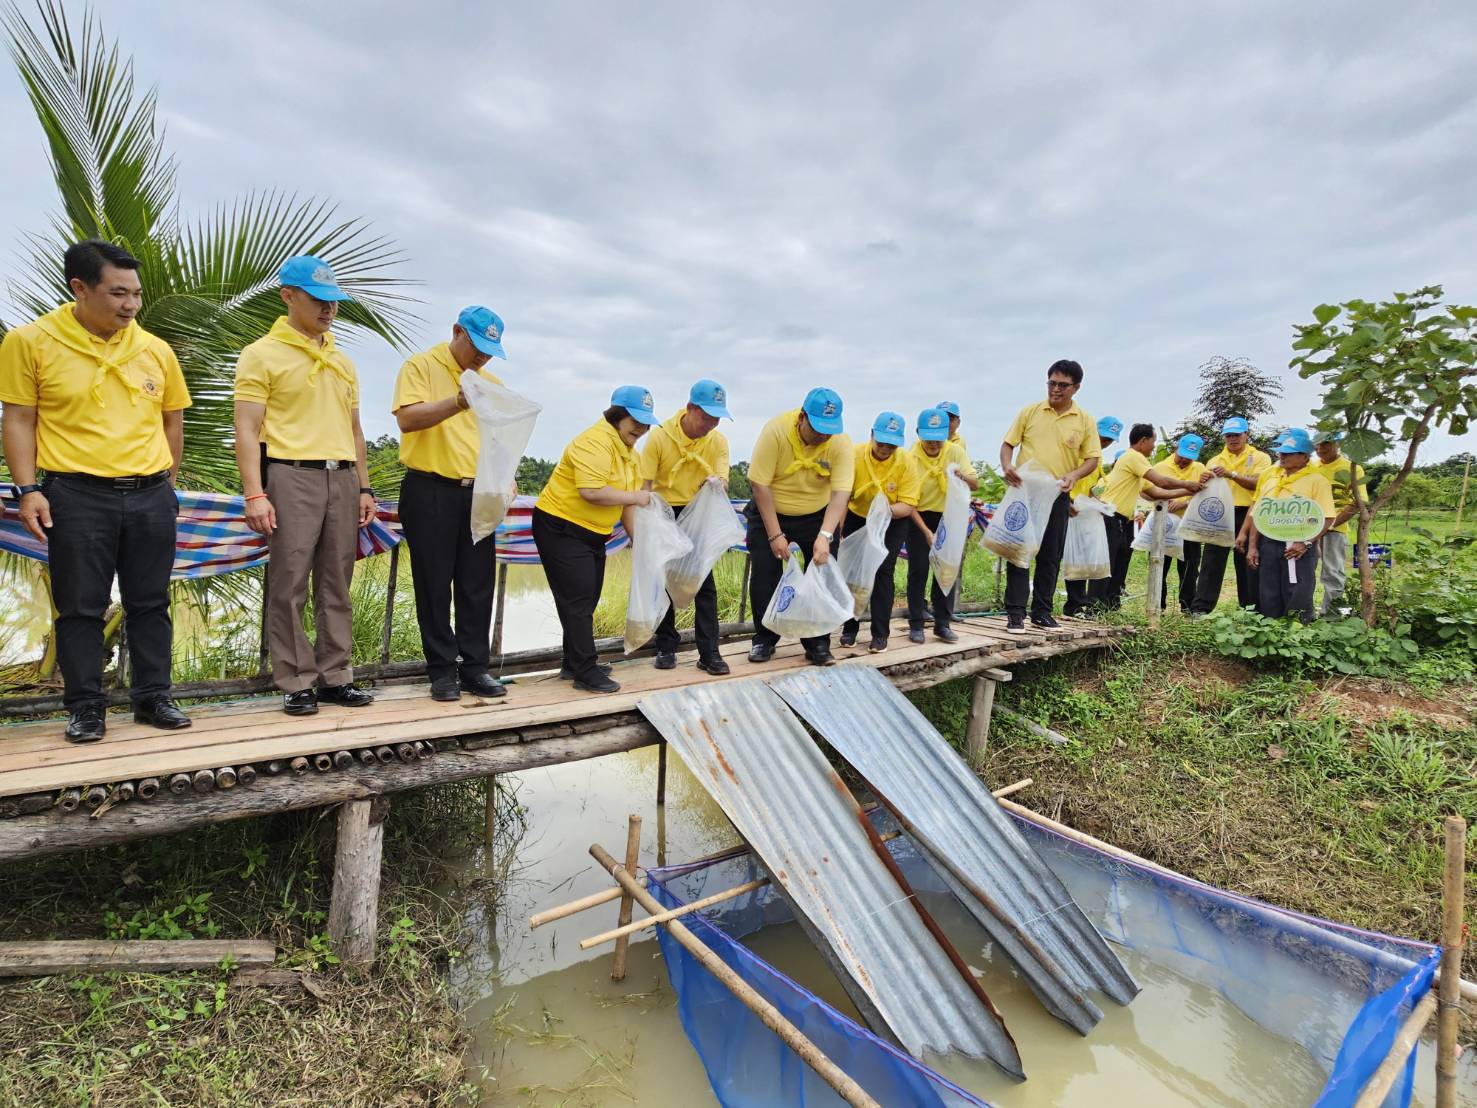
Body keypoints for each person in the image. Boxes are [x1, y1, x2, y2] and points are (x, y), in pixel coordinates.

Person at [0, 239, 192, 741]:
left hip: (150, 494)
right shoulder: (30, 341)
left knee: (150, 602)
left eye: (136, 294)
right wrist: (27, 489)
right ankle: (86, 707)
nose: (130, 305)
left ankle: (154, 698)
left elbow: (173, 422)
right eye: (117, 293)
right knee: (81, 606)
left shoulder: (155, 349)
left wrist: (167, 484)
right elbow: (19, 420)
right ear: (79, 288)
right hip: (76, 494)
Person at [234, 255, 376, 717]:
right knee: (289, 580)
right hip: (291, 473)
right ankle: (296, 680)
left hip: (342, 476)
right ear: (288, 296)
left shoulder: (342, 360)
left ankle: (336, 675)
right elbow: (247, 429)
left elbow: (356, 431)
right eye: (318, 301)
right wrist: (255, 492)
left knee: (337, 580)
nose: (328, 310)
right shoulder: (261, 354)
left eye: (334, 302)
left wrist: (364, 488)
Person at [392, 306, 510, 702]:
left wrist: (506, 476)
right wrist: (458, 402)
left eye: (490, 350)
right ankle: (442, 671)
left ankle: (476, 668)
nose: (482, 357)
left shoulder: (490, 382)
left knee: (478, 584)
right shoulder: (420, 366)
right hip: (431, 489)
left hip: (479, 494)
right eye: (477, 346)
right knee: (434, 583)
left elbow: (499, 441)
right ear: (457, 331)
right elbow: (407, 420)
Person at [533, 386, 656, 692]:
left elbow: (628, 504)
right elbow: (591, 491)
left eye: (646, 422)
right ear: (616, 415)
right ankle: (585, 671)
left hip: (593, 532)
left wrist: (638, 541)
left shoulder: (631, 454)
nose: (641, 428)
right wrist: (637, 497)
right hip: (560, 526)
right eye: (635, 420)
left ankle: (572, 662)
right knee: (578, 600)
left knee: (586, 598)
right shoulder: (594, 442)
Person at [745, 388, 854, 666]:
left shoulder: (840, 443)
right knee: (765, 575)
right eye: (818, 429)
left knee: (821, 572)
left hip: (816, 514)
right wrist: (774, 534)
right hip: (771, 510)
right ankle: (764, 639)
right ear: (802, 417)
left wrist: (826, 536)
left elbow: (841, 492)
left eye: (829, 430)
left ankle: (817, 642)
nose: (823, 436)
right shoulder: (776, 431)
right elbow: (760, 484)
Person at [640, 378, 733, 676]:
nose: (711, 423)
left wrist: (718, 485)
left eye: (717, 418)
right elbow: (645, 485)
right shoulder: (659, 438)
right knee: (663, 578)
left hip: (698, 512)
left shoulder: (717, 442)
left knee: (703, 584)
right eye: (706, 416)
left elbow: (725, 479)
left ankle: (710, 653)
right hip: (664, 511)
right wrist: (645, 525)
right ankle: (666, 646)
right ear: (690, 408)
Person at [999, 360, 1100, 633]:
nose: (1056, 389)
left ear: (1076, 388)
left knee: (1050, 555)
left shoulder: (1084, 420)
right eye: (1052, 383)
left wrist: (1074, 476)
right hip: (1025, 491)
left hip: (1057, 494)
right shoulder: (1030, 412)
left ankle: (1042, 612)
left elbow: (1092, 458)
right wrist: (1008, 466)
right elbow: (1008, 444)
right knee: (1018, 550)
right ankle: (1015, 613)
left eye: (1063, 385)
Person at [1087, 424, 1206, 612]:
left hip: (1121, 519)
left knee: (1119, 563)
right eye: (1153, 441)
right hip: (1109, 516)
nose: (1153, 446)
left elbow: (1156, 491)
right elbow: (1162, 482)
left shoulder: (1136, 465)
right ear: (1143, 441)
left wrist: (1187, 490)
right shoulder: (1134, 457)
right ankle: (1094, 607)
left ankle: (1109, 605)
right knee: (1106, 563)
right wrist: (1188, 485)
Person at [840, 412, 926, 653]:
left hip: (891, 520)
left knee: (882, 571)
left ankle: (880, 634)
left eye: (891, 445)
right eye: (881, 443)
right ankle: (850, 627)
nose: (885, 449)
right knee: (853, 572)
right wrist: (839, 529)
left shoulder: (906, 462)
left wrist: (883, 511)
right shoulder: (855, 455)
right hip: (857, 516)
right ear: (871, 435)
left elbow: (908, 504)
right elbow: (843, 494)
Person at [1240, 428, 1335, 622]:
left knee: (1298, 593)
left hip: (1298, 546)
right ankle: (1272, 636)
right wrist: (1252, 547)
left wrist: (1306, 543)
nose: (1282, 457)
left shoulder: (1317, 481)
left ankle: (1297, 636)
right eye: (1281, 453)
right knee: (1269, 593)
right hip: (1269, 544)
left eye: (1288, 454)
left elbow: (1327, 518)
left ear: (1304, 457)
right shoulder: (1272, 480)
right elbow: (1259, 515)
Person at [909, 407, 979, 643]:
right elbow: (908, 502)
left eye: (938, 438)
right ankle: (916, 623)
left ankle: (942, 623)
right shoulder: (910, 458)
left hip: (949, 517)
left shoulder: (955, 451)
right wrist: (926, 531)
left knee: (946, 570)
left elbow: (975, 483)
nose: (933, 444)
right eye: (928, 438)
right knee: (918, 569)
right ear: (919, 433)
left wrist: (960, 476)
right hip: (919, 516)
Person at [1191, 417, 1270, 614]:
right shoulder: (1214, 460)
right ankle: (1201, 609)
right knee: (1211, 562)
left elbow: (1259, 484)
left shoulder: (1261, 457)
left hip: (1248, 513)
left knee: (1247, 561)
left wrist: (1231, 474)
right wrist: (1203, 480)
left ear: (1247, 435)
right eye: (1228, 435)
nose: (1232, 439)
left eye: (1237, 434)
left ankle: (1250, 608)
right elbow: (1204, 491)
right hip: (1220, 514)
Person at [1062, 416, 1121, 619]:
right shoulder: (1075, 452)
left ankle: (1081, 605)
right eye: (1102, 438)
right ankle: (1072, 605)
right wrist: (1067, 502)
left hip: (1084, 514)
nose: (1104, 444)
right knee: (1071, 557)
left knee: (1084, 558)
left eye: (1109, 441)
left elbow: (1088, 490)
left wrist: (1099, 503)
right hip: (1068, 510)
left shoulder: (1098, 458)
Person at [1147, 434, 1211, 614]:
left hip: (1190, 524)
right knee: (1159, 563)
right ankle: (1158, 605)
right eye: (1182, 455)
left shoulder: (1200, 468)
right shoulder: (1159, 467)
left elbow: (1204, 494)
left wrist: (1183, 503)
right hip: (1164, 523)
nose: (1184, 460)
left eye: (1189, 458)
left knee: (1190, 567)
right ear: (1176, 448)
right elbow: (1150, 491)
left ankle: (1187, 606)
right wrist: (1167, 502)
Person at [1310, 430, 1366, 617]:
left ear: (1338, 444)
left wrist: (1330, 524)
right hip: (1308, 528)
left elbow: (1356, 502)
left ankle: (1331, 615)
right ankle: (1305, 612)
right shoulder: (1311, 467)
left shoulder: (1351, 468)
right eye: (1317, 444)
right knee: (1305, 570)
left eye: (1326, 443)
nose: (1320, 448)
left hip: (1335, 529)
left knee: (1332, 572)